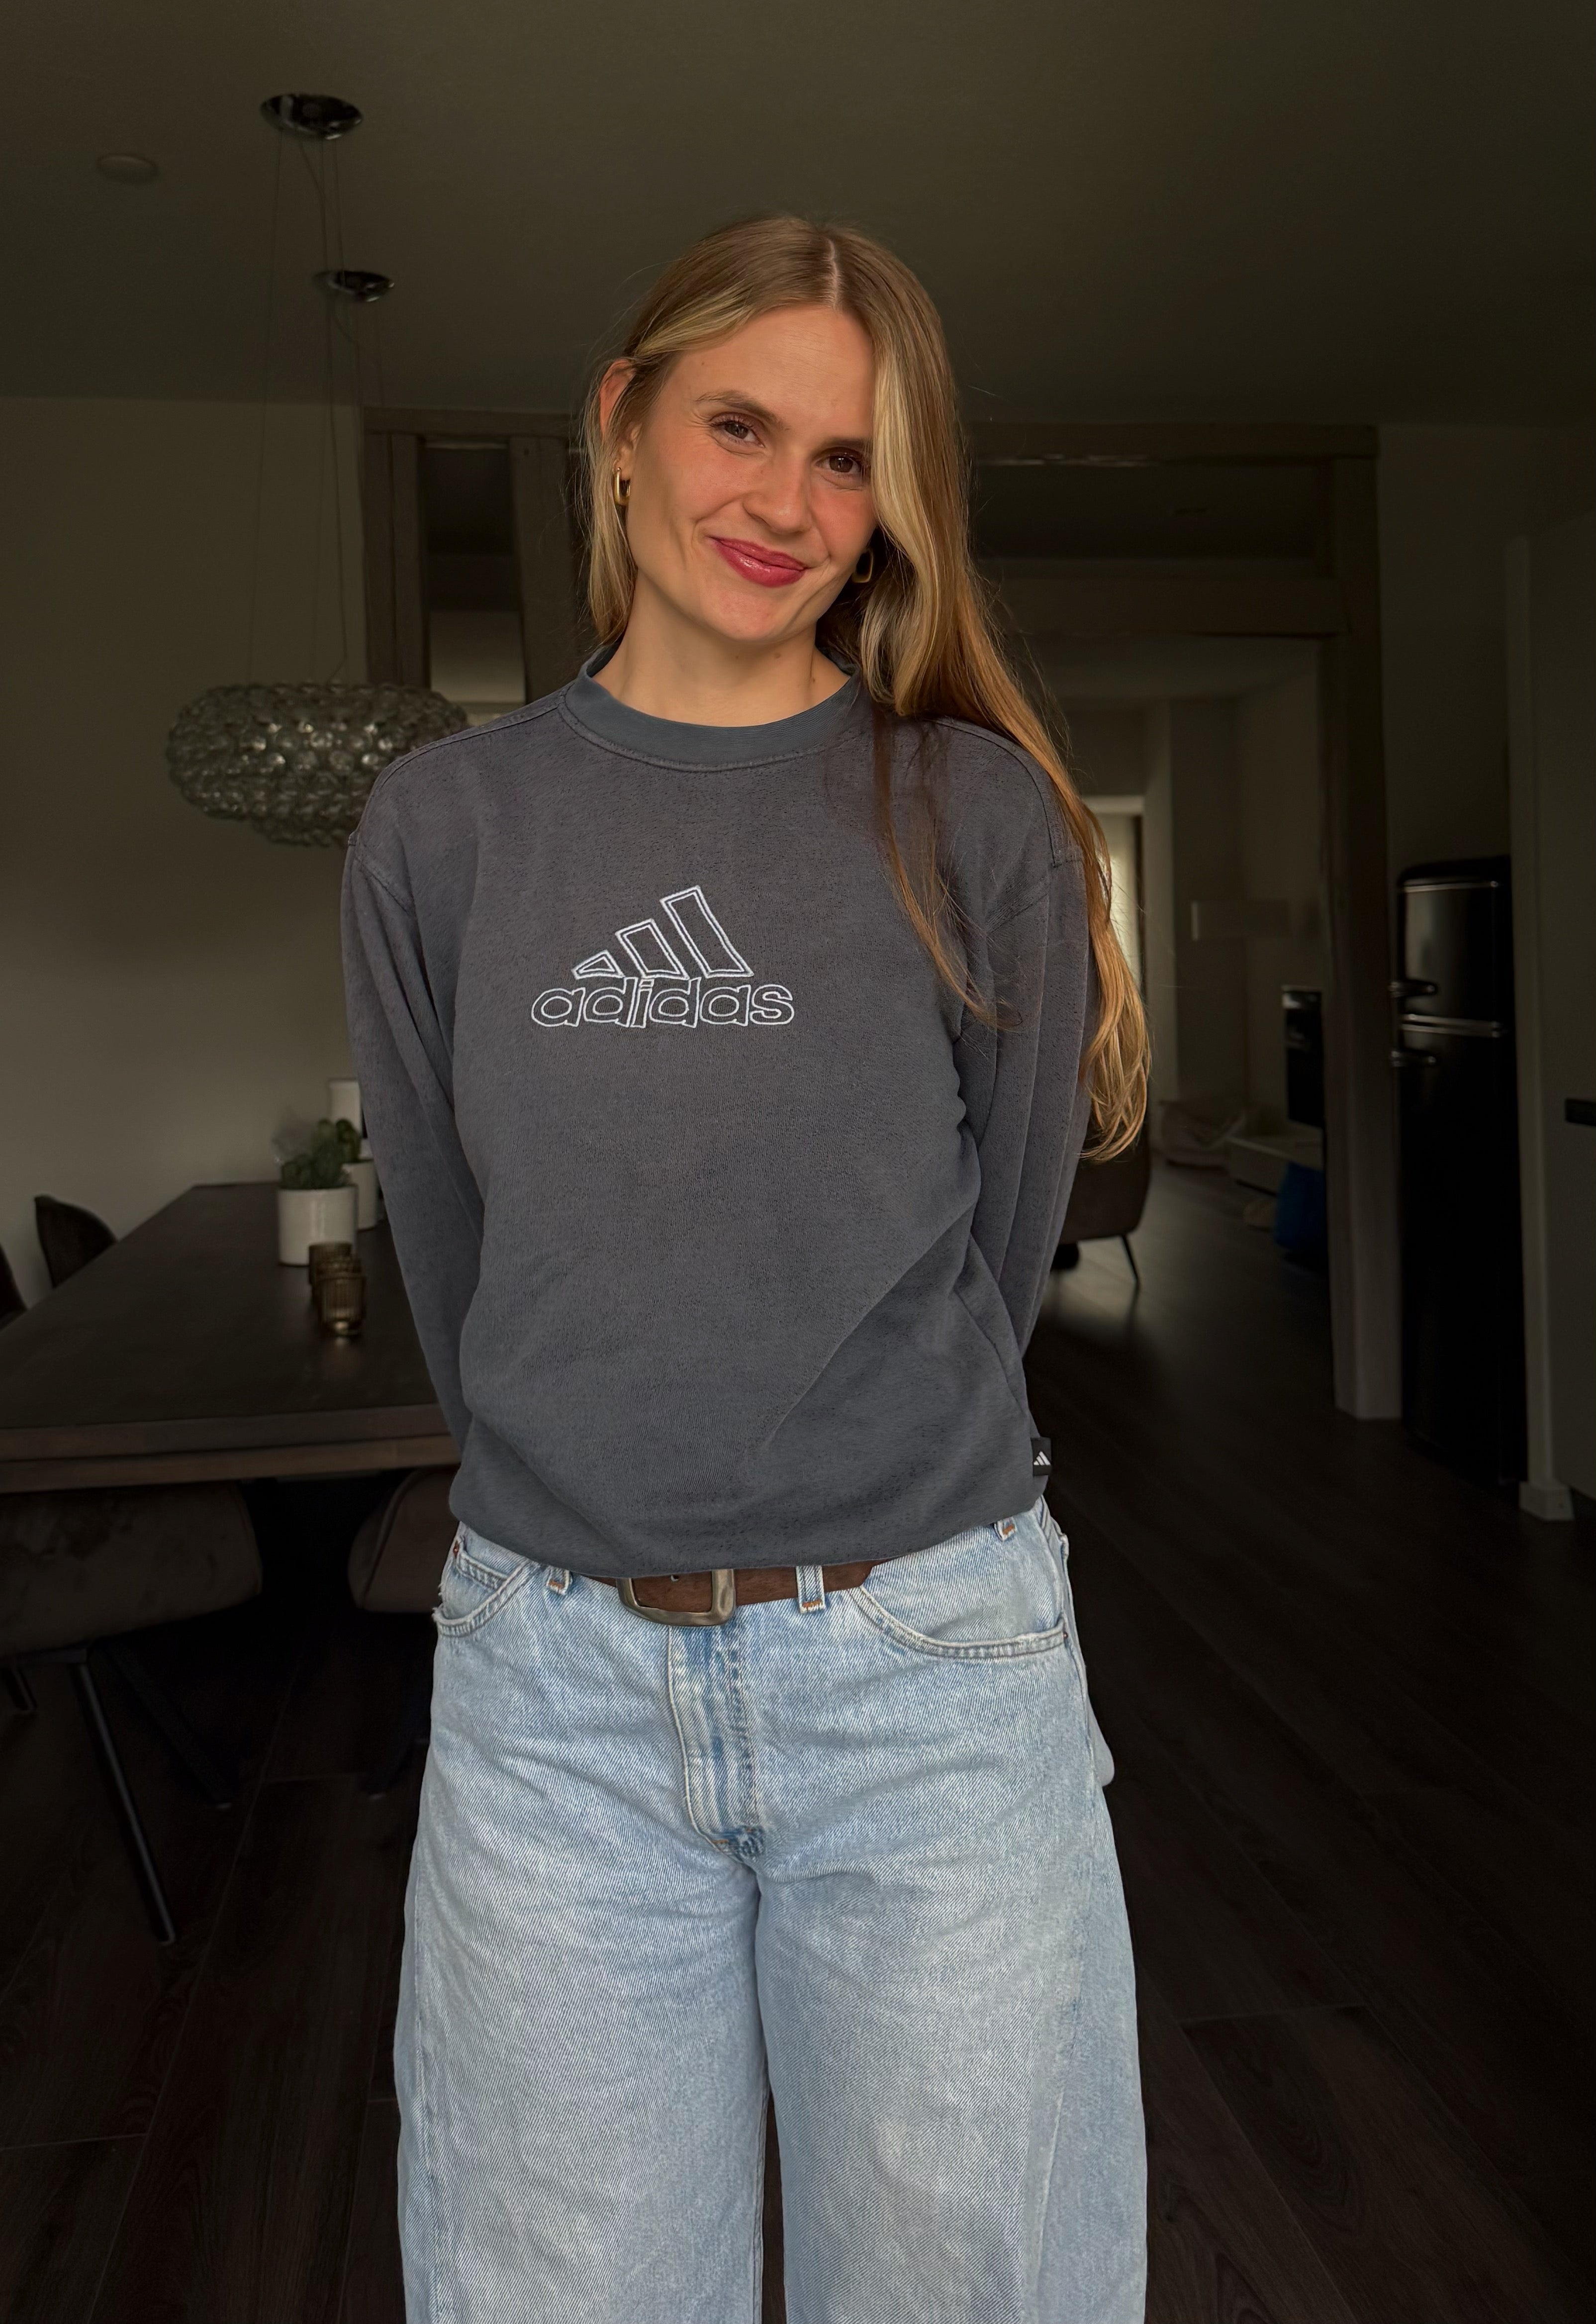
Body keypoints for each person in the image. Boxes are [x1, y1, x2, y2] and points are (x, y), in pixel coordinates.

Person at [343, 214, 1150, 2324]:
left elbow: (998, 1253)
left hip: (930, 1676)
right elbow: (452, 1254)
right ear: (621, 423)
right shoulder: (443, 832)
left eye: (848, 458)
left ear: (895, 507)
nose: (786, 501)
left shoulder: (971, 816)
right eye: (739, 426)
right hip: (553, 1701)